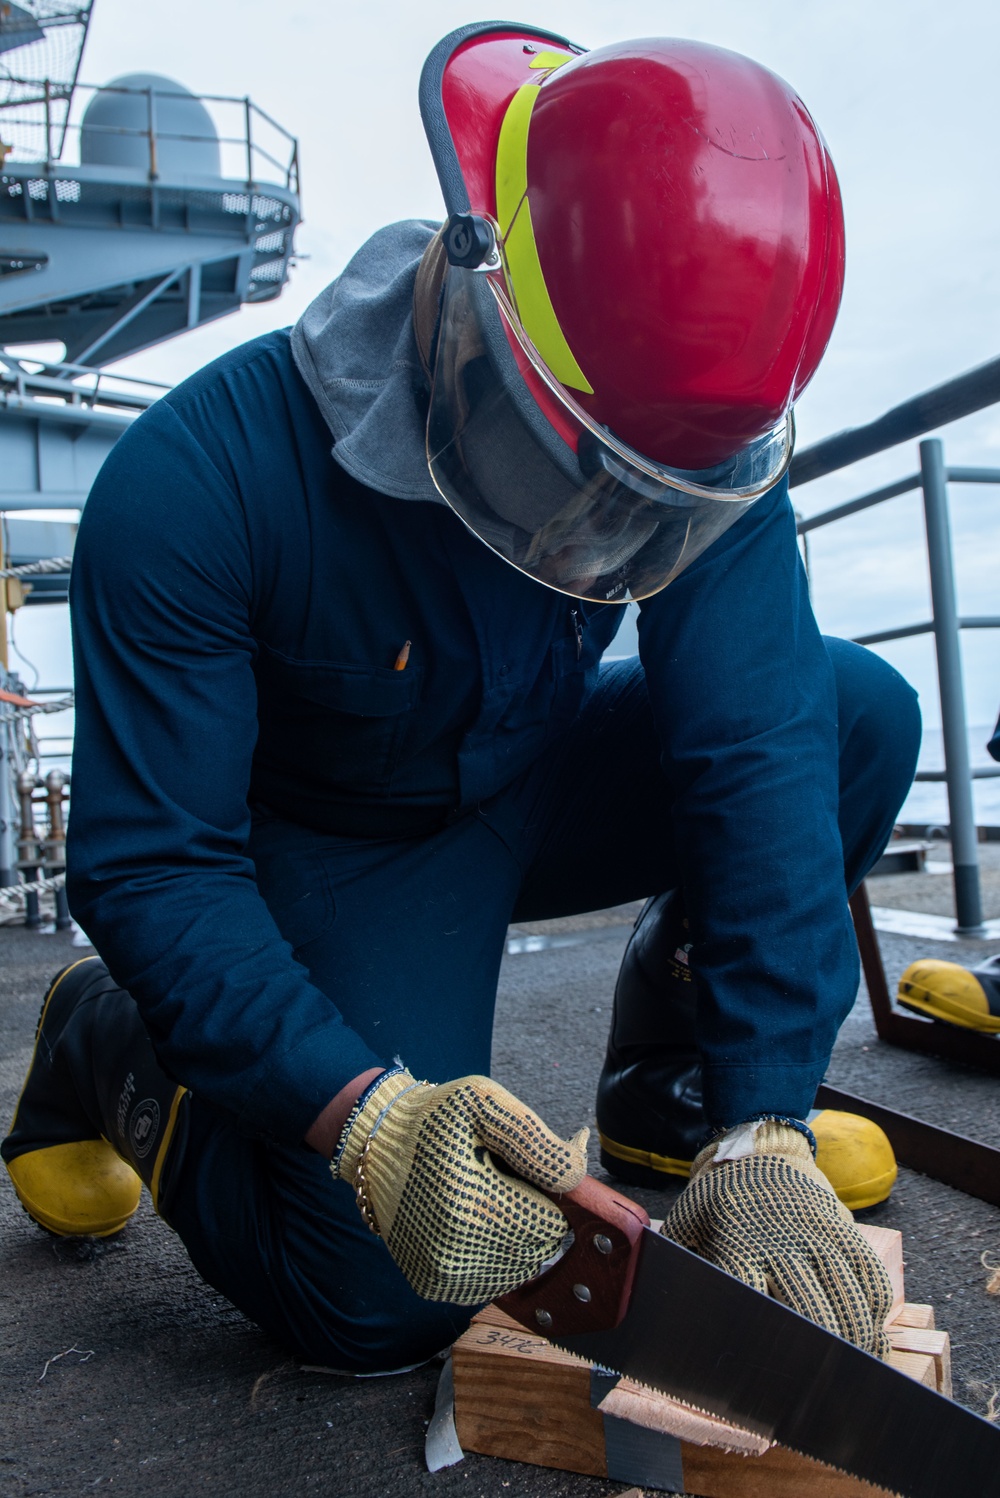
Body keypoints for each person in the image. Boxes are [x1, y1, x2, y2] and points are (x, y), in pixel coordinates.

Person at [3, 23, 921, 1374]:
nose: (606, 522)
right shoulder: (194, 486)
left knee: (854, 718)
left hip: (523, 781)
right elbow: (156, 861)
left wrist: (768, 1113)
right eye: (579, 471)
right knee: (385, 1294)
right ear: (471, 281)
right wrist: (360, 1114)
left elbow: (758, 735)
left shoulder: (686, 425)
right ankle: (106, 1039)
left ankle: (678, 1094)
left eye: (647, 503)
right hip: (328, 846)